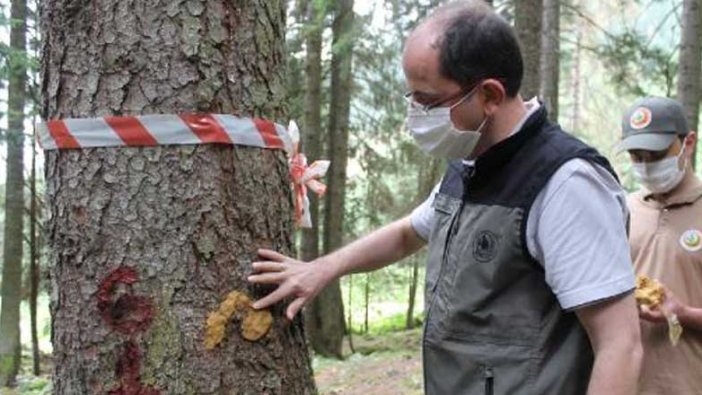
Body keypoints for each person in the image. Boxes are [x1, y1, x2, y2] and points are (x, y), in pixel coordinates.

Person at [249, 1, 642, 394]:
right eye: (412, 98)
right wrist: (322, 269)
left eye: (429, 101)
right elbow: (409, 232)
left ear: (489, 94)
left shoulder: (566, 184)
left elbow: (620, 345)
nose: (415, 113)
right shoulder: (470, 162)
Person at [618, 96, 702, 394]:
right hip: (626, 383)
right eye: (636, 156)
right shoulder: (621, 210)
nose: (646, 165)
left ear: (688, 143)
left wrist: (682, 312)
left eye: (656, 154)